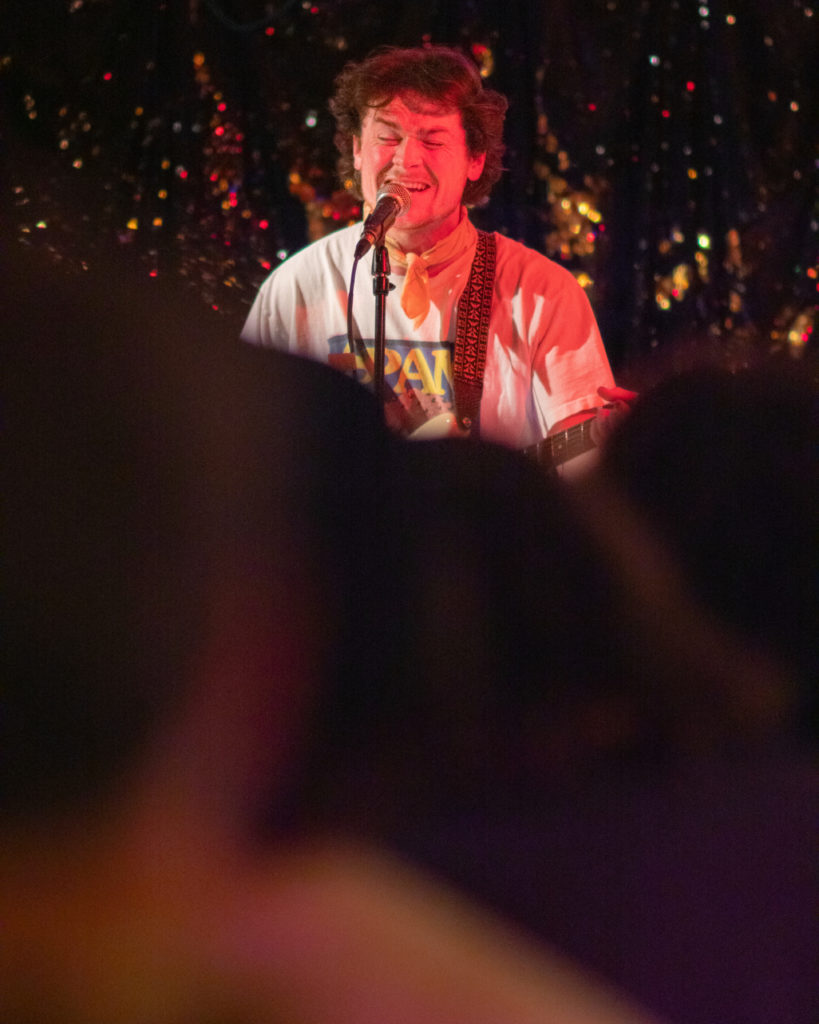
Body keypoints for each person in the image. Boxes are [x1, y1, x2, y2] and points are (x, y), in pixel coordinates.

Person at [241, 44, 633, 461]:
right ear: (357, 150)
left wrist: (620, 445)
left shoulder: (542, 293)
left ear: (475, 160)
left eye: (432, 140)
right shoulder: (295, 288)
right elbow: (243, 447)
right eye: (387, 137)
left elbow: (582, 468)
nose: (406, 159)